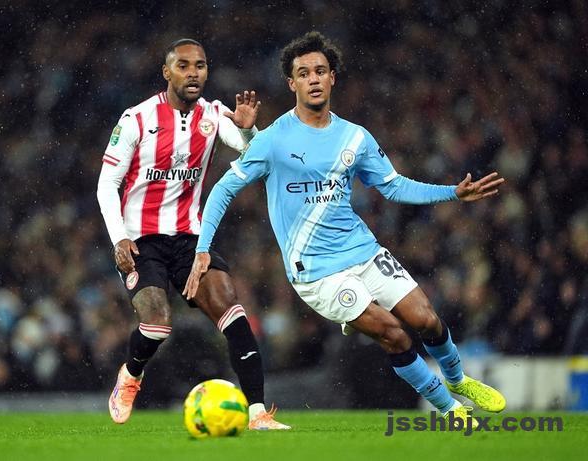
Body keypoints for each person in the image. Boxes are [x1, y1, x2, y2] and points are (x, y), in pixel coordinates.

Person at [184, 32, 507, 424]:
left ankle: (458, 381)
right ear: (292, 83)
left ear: (332, 77)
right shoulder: (273, 140)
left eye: (320, 71)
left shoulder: (355, 137)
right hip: (317, 272)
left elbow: (393, 186)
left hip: (363, 251)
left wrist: (452, 193)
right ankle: (451, 410)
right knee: (393, 333)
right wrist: (203, 247)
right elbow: (222, 190)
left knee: (426, 319)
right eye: (304, 73)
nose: (314, 79)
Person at [97, 38, 289, 430]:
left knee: (232, 310)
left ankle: (257, 413)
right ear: (167, 72)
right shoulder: (136, 119)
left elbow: (253, 155)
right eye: (183, 65)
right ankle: (130, 375)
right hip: (141, 240)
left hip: (190, 239)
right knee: (157, 323)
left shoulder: (214, 114)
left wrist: (249, 131)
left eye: (200, 65)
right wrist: (118, 238)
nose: (193, 73)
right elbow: (106, 184)